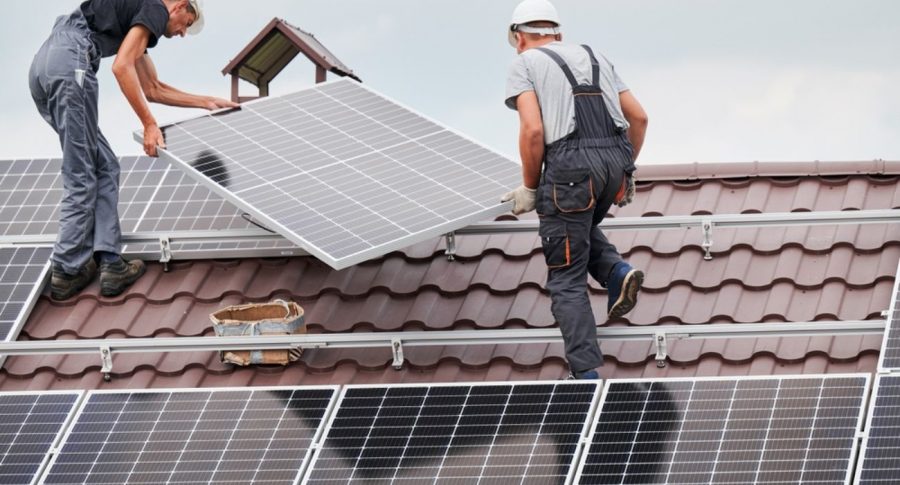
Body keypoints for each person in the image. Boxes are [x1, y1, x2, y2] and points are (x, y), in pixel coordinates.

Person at [29, 0, 238, 300]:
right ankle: (66, 268)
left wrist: (206, 102)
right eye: (187, 24)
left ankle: (110, 262)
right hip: (70, 62)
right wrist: (150, 125)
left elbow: (153, 88)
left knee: (104, 165)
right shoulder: (155, 9)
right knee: (82, 170)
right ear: (179, 6)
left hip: (46, 65)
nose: (181, 34)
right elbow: (121, 66)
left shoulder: (137, 17)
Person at [501, 0, 649, 379]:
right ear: (558, 33)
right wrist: (625, 170)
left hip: (570, 169)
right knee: (576, 226)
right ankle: (616, 272)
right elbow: (639, 117)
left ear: (518, 37)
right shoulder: (594, 55)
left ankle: (585, 375)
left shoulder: (524, 63)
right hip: (614, 162)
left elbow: (533, 130)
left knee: (565, 276)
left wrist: (531, 188)